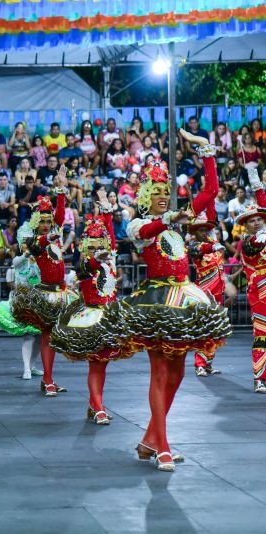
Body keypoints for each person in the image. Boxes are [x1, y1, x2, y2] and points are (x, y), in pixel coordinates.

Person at [122, 131, 231, 471]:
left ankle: (150, 440)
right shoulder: (140, 224)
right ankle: (163, 447)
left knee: (179, 373)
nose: (162, 198)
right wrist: (170, 218)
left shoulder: (176, 224)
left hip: (184, 298)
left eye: (164, 193)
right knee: (159, 374)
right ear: (145, 196)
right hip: (157, 302)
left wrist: (206, 150)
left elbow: (211, 192)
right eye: (156, 193)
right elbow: (146, 232)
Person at [51, 190, 134, 425]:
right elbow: (95, 260)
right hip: (92, 318)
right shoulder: (85, 265)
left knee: (102, 365)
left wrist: (107, 212)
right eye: (93, 245)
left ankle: (93, 403)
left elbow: (111, 244)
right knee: (97, 364)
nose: (99, 248)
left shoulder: (110, 259)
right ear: (86, 247)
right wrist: (100, 255)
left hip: (109, 317)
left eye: (101, 244)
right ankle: (98, 407)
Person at [11, 166, 76, 396]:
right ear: (37, 221)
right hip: (45, 294)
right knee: (47, 336)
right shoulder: (34, 239)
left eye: (50, 221)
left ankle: (48, 378)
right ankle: (47, 379)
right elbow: (38, 244)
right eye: (44, 221)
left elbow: (59, 215)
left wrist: (60, 190)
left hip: (61, 292)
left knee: (52, 338)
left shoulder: (53, 232)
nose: (48, 224)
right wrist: (48, 235)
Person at [0, 219, 43, 378]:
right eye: (25, 242)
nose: (28, 245)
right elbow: (17, 263)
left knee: (39, 336)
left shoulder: (36, 262)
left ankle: (32, 365)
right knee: (27, 336)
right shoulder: (18, 260)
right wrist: (27, 254)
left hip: (37, 300)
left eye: (30, 242)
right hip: (21, 301)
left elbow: (39, 277)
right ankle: (26, 368)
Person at [187, 213, 227, 377]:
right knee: (204, 329)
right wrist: (210, 246)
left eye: (207, 230)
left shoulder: (214, 243)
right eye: (201, 230)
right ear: (194, 233)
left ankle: (208, 363)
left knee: (216, 331)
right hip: (205, 293)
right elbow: (197, 250)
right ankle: (200, 365)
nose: (204, 233)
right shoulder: (194, 246)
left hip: (219, 293)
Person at [238, 163, 266, 394]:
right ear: (246, 225)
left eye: (260, 219)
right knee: (262, 335)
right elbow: (257, 243)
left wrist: (256, 183)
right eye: (252, 221)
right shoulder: (247, 242)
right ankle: (259, 377)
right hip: (260, 294)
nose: (257, 222)